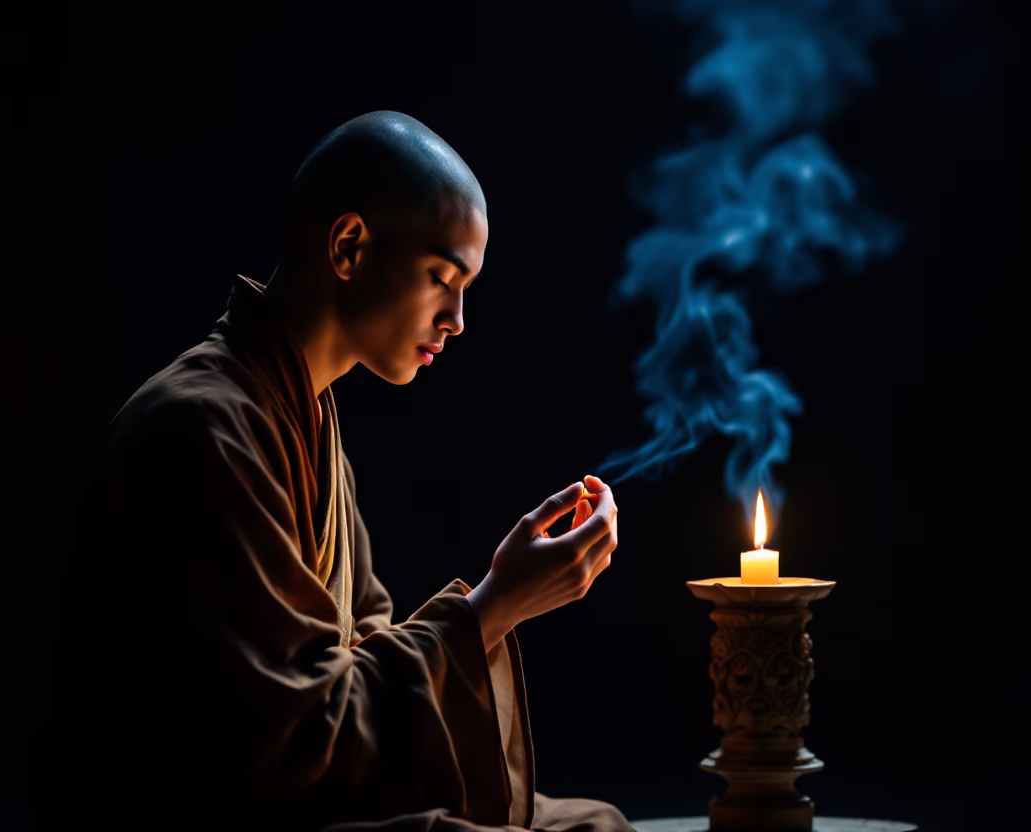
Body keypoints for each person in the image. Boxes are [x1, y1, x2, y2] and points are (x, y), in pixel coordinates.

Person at [36, 111, 627, 832]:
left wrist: (497, 602)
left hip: (309, 796)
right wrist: (494, 605)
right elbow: (285, 744)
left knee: (590, 821)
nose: (458, 319)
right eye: (443, 277)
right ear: (349, 247)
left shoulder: (302, 418)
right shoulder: (204, 427)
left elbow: (364, 661)